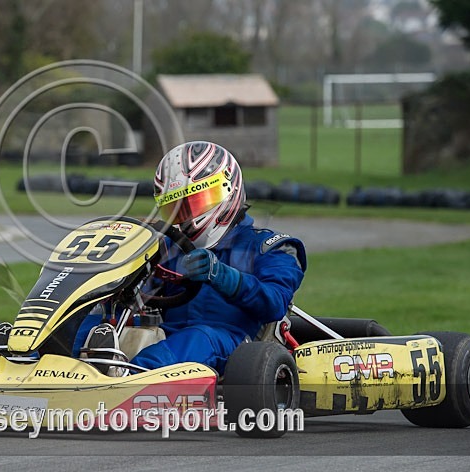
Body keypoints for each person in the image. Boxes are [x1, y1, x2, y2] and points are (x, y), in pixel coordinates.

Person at [80, 141, 307, 375]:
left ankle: (132, 377)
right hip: (167, 336)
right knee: (95, 323)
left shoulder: (271, 247)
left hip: (234, 344)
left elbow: (275, 303)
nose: (185, 217)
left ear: (227, 190)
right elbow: (139, 297)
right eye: (175, 208)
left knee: (197, 337)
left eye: (195, 203)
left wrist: (222, 276)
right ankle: (55, 365)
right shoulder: (167, 247)